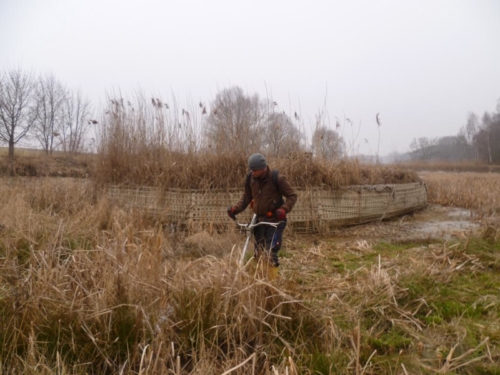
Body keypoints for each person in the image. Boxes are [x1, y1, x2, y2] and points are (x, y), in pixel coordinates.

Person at [227, 153, 298, 267]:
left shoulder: (277, 178)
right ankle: (259, 279)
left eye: (255, 170)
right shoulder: (251, 178)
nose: (253, 172)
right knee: (258, 253)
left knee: (270, 254)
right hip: (259, 221)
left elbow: (292, 196)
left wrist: (284, 209)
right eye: (251, 169)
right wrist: (236, 209)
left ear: (263, 168)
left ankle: (271, 282)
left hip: (275, 221)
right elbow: (246, 197)